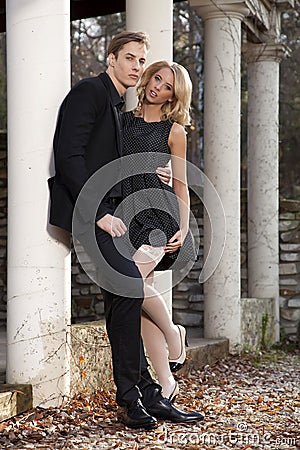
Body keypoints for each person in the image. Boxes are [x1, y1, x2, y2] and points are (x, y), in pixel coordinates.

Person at [48, 31, 203, 429]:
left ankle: (146, 394)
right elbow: (70, 156)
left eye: (141, 61)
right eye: (131, 60)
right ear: (112, 58)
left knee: (127, 302)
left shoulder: (121, 108)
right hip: (101, 215)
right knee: (130, 292)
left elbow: (120, 160)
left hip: (135, 215)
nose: (138, 69)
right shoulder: (92, 95)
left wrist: (158, 175)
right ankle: (147, 383)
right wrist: (98, 210)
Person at [120, 60, 197, 403]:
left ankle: (173, 334)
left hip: (159, 217)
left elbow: (181, 185)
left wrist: (183, 226)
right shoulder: (122, 122)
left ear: (173, 96)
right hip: (127, 216)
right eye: (157, 78)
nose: (157, 87)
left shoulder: (173, 131)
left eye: (167, 86)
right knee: (139, 299)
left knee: (128, 283)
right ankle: (166, 382)